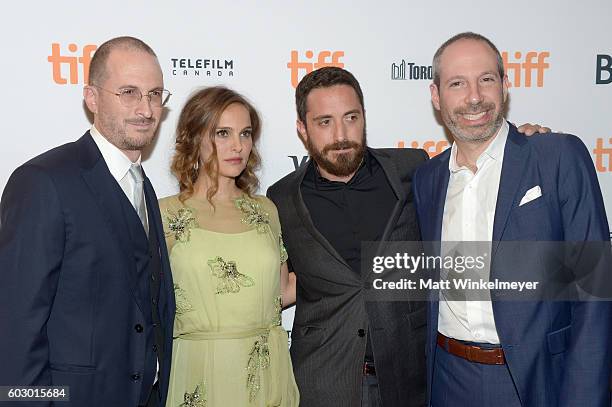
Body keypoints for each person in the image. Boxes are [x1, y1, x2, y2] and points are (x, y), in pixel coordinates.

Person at [267, 66, 551, 407]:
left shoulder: (413, 169)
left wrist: (522, 142)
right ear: (303, 129)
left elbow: (477, 166)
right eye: (325, 122)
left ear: (364, 117)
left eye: (351, 117)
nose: (341, 134)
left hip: (407, 375)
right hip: (324, 377)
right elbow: (284, 283)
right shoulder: (281, 199)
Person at [413, 32, 612, 406]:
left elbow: (595, 291)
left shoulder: (556, 156)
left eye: (486, 79)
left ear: (505, 86)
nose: (474, 97)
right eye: (457, 83)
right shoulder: (428, 179)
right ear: (437, 96)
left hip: (536, 382)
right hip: (448, 378)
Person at [0, 36, 175, 406]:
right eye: (129, 92)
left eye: (155, 94)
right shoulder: (43, 181)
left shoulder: (142, 185)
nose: (146, 109)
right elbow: (16, 327)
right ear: (92, 97)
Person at [159, 86, 299, 407]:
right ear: (194, 138)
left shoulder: (266, 210)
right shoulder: (165, 214)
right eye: (223, 133)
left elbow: (281, 292)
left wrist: (347, 271)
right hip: (198, 368)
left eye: (245, 133)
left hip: (265, 370)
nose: (238, 145)